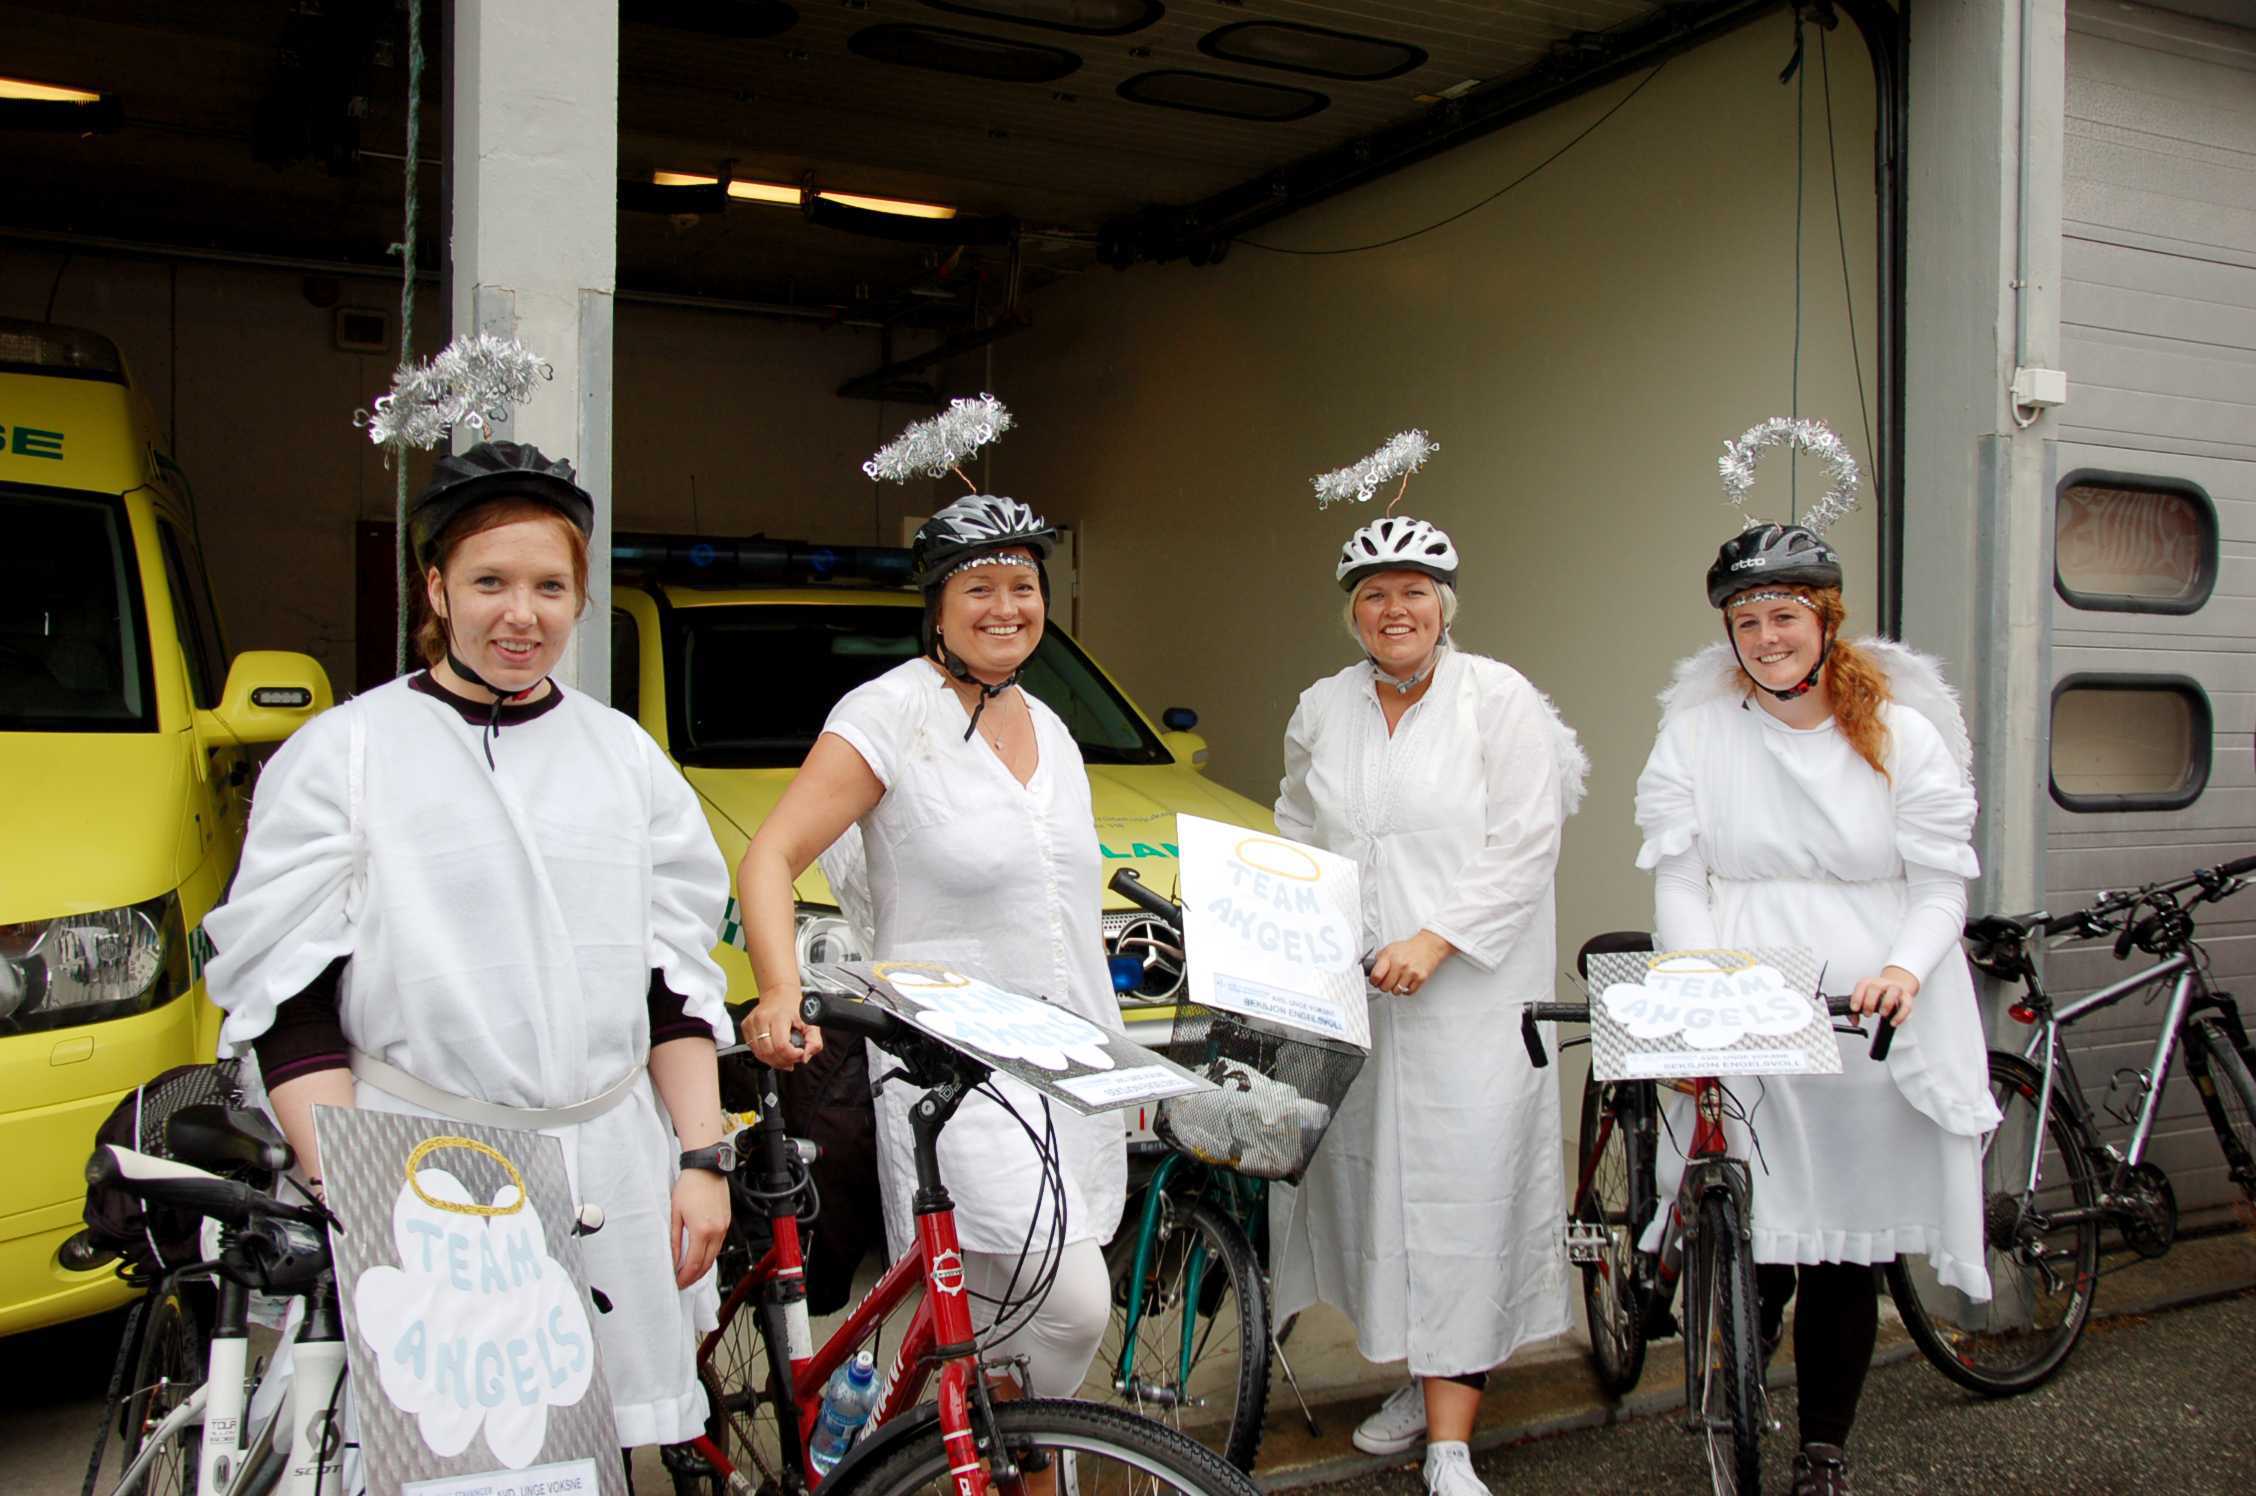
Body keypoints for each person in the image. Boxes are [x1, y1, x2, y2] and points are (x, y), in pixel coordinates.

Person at [203, 440, 735, 1449]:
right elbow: (289, 1002)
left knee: (591, 1451)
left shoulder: (626, 759)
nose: (521, 614)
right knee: (446, 1449)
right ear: (437, 587)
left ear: (580, 597)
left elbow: (673, 983)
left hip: (608, 1168)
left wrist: (702, 1158)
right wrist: (352, 1192)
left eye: (549, 586)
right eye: (490, 582)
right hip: (421, 1179)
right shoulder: (345, 754)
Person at [734, 490, 1124, 1419]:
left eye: (1022, 587)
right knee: (1071, 1305)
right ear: (937, 607)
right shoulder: (889, 713)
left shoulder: (1051, 728)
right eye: (978, 588)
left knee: (998, 1321)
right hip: (956, 1067)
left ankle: (985, 1458)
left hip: (1072, 1062)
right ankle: (948, 1437)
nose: (1005, 608)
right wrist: (779, 988)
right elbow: (770, 855)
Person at [1634, 518, 1999, 1494]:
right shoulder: (1699, 733)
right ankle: (1741, 1384)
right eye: (1747, 621)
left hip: (1862, 1022)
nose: (1766, 638)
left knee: (1845, 1246)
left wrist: (1906, 971)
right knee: (1754, 1227)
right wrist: (1697, 978)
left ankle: (1823, 1446)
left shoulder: (1901, 733)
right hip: (1751, 996)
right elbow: (1682, 875)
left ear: (1826, 621)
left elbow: (1939, 887)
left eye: (1784, 616)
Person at [1270, 511, 1587, 1496]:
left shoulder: (1499, 698)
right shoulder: (1322, 707)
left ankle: (1450, 1442)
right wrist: (1285, 929)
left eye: (1413, 591)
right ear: (1353, 614)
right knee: (1381, 1192)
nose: (1393, 609)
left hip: (1473, 1001)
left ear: (1444, 607)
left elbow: (1526, 841)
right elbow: (1295, 826)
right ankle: (1419, 1376)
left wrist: (1436, 938)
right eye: (1374, 594)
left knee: (1462, 1191)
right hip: (1359, 995)